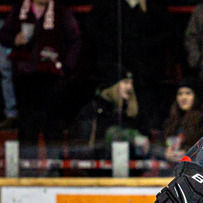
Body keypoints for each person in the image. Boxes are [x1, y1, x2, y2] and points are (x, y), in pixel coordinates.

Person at [0, 0, 82, 163]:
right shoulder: (19, 10)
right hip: (25, 79)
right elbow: (4, 35)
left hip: (52, 79)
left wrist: (65, 67)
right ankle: (26, 172)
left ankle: (54, 170)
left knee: (53, 128)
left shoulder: (60, 11)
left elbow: (76, 40)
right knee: (27, 128)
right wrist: (15, 40)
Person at [72, 72, 148, 160]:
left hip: (130, 167)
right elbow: (91, 138)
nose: (129, 87)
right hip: (101, 165)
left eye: (131, 83)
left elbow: (144, 140)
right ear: (114, 85)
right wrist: (131, 136)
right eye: (125, 82)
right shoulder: (97, 107)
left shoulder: (134, 109)